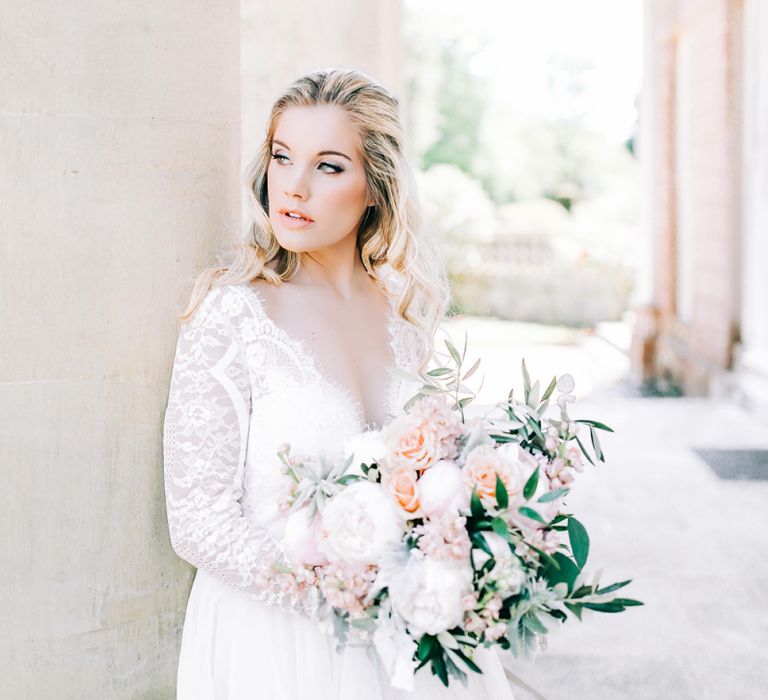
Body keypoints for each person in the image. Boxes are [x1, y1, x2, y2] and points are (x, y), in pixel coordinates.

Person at [162, 68, 516, 699]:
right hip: (273, 645)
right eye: (281, 157)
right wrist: (339, 592)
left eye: (327, 167)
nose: (293, 187)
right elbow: (196, 520)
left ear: (373, 188)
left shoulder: (403, 314)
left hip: (398, 639)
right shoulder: (233, 314)